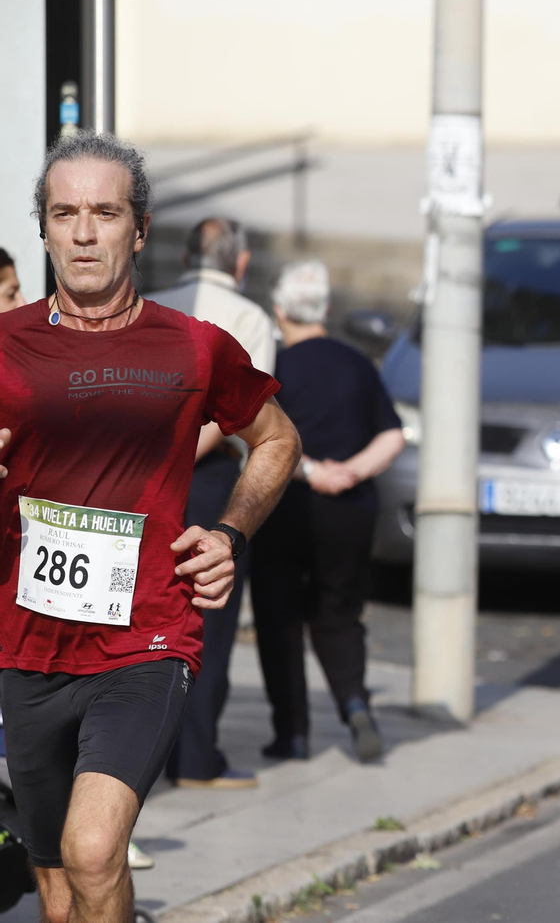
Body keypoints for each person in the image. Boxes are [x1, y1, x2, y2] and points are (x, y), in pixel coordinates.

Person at [0, 131, 298, 923]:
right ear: (45, 227)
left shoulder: (194, 347)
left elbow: (277, 440)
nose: (85, 232)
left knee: (95, 849)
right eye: (66, 213)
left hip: (146, 639)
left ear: (140, 228)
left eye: (106, 212)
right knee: (60, 889)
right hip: (24, 644)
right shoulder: (3, 346)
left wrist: (230, 532)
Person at [251, 261, 405, 763]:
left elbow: (259, 438)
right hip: (351, 511)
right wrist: (351, 473)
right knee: (339, 613)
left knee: (279, 618)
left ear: (279, 312)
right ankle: (356, 704)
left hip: (286, 506)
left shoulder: (273, 366)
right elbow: (393, 435)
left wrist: (313, 472)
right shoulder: (358, 362)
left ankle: (291, 733)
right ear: (327, 311)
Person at [146, 217, 276, 789]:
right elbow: (242, 423)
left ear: (183, 259)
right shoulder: (250, 318)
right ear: (240, 264)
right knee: (209, 620)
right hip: (208, 481)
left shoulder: (151, 305)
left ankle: (146, 757)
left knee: (146, 612)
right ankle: (197, 759)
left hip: (141, 475)